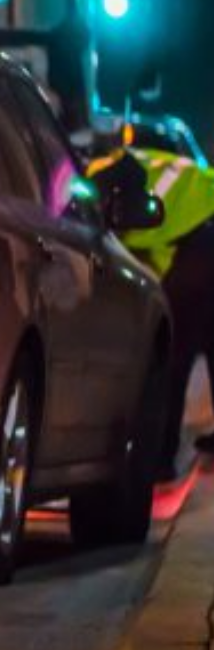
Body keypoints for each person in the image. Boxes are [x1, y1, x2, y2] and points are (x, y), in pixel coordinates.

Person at [90, 144, 214, 479]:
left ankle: (160, 458)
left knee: (174, 352)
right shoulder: (122, 164)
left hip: (200, 237)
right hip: (201, 222)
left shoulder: (99, 185)